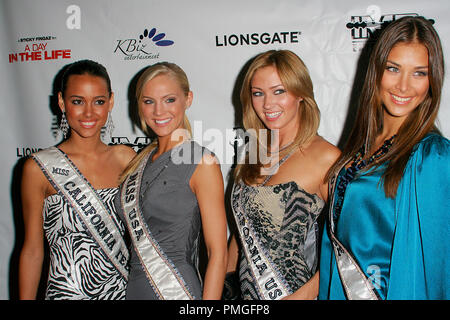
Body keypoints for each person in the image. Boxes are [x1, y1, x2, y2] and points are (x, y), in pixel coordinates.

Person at [319, 16, 449, 300]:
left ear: (433, 80)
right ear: (376, 71)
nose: (403, 86)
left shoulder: (431, 157)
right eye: (393, 69)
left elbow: (433, 272)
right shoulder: (358, 151)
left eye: (419, 73)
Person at [227, 49, 340, 300]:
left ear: (301, 93)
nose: (268, 104)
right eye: (258, 93)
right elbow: (243, 233)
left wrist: (306, 295)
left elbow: (348, 245)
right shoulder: (252, 152)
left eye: (279, 91)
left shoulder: (326, 157)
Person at [19, 59, 136, 299]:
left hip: (122, 292)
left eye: (99, 102)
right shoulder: (38, 167)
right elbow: (32, 251)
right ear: (62, 102)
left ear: (111, 102)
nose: (89, 112)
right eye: (77, 101)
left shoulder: (126, 158)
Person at [116, 62, 227, 300]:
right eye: (148, 101)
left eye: (169, 100)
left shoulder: (201, 162)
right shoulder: (139, 161)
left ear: (188, 99)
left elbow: (217, 253)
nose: (158, 111)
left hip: (176, 291)